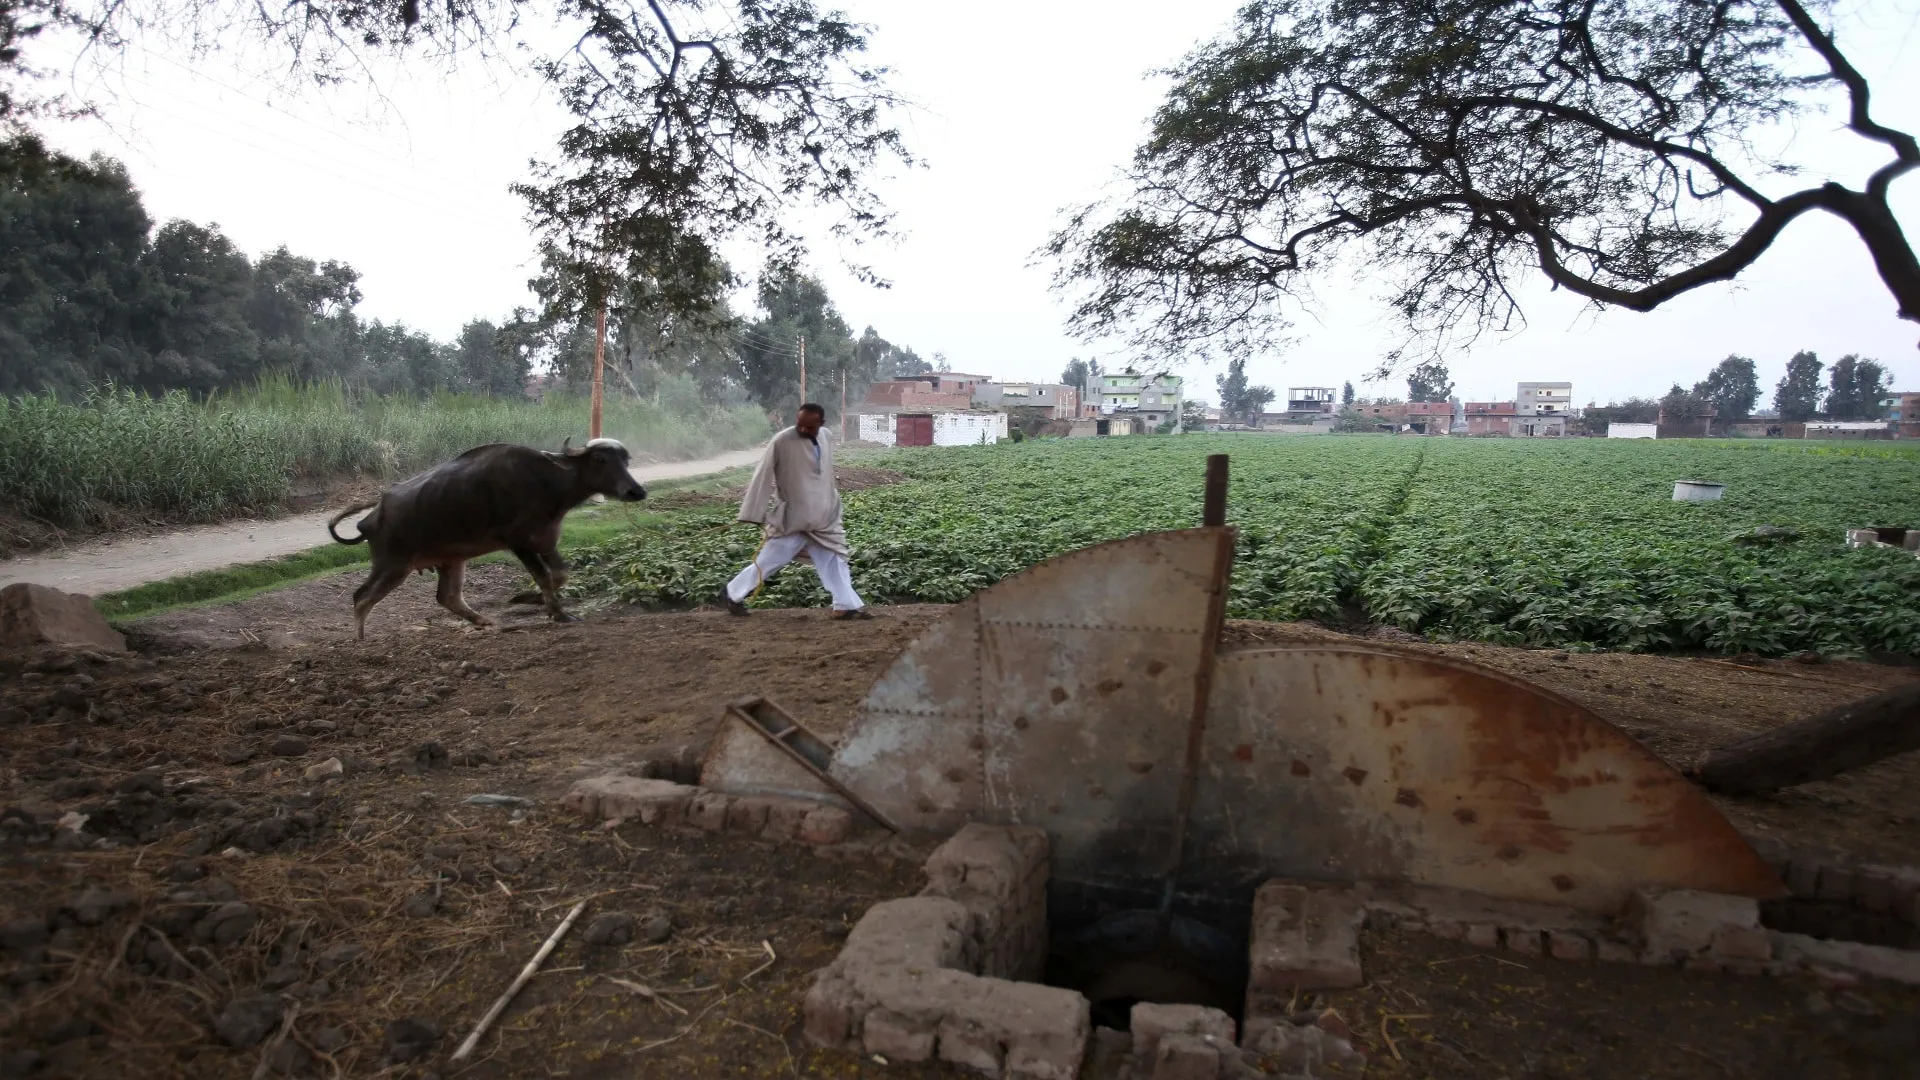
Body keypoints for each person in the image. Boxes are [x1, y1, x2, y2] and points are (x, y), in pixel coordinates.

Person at [720, 403, 872, 619]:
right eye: (799, 425)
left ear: (822, 424)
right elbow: (762, 474)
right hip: (794, 516)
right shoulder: (782, 440)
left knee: (835, 559)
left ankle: (845, 605)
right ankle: (732, 593)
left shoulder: (827, 437)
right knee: (771, 560)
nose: (802, 430)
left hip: (824, 517)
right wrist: (753, 511)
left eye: (809, 427)